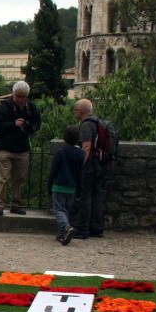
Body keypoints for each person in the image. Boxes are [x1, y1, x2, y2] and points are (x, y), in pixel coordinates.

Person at [0, 81, 40, 216]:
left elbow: (37, 125)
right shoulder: (4, 107)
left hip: (22, 148)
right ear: (13, 94)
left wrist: (27, 126)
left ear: (27, 97)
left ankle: (15, 205)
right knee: (3, 178)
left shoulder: (31, 108)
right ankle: (0, 205)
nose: (20, 100)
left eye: (23, 97)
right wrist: (13, 124)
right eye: (18, 96)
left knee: (19, 179)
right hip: (5, 148)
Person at [72, 98, 108, 239]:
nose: (75, 113)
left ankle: (82, 229)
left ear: (80, 111)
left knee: (85, 197)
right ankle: (97, 228)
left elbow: (86, 147)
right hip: (99, 163)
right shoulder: (98, 122)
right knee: (97, 196)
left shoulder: (86, 125)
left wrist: (81, 165)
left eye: (76, 110)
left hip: (90, 164)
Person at [46, 126, 85, 245]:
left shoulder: (61, 152)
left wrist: (49, 185)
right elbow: (80, 173)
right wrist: (79, 189)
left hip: (59, 185)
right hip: (72, 187)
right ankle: (62, 234)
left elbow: (53, 170)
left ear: (64, 138)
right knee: (65, 210)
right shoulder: (81, 154)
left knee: (58, 210)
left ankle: (67, 228)